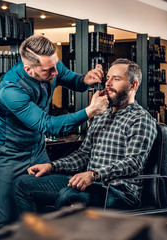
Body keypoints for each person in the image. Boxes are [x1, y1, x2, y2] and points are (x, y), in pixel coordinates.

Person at [0, 35, 109, 232]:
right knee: (4, 218)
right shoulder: (10, 89)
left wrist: (86, 79)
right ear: (29, 69)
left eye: (56, 65)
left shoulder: (52, 64)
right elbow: (49, 125)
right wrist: (91, 111)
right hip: (10, 154)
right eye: (48, 70)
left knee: (40, 211)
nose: (55, 72)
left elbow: (75, 81)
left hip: (37, 150)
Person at [14, 58, 157, 214]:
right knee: (22, 183)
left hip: (119, 192)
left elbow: (133, 163)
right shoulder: (102, 114)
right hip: (90, 184)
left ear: (133, 85)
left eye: (116, 79)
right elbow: (83, 155)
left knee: (70, 196)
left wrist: (94, 175)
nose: (108, 83)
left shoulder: (140, 119)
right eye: (107, 78)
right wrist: (51, 166)